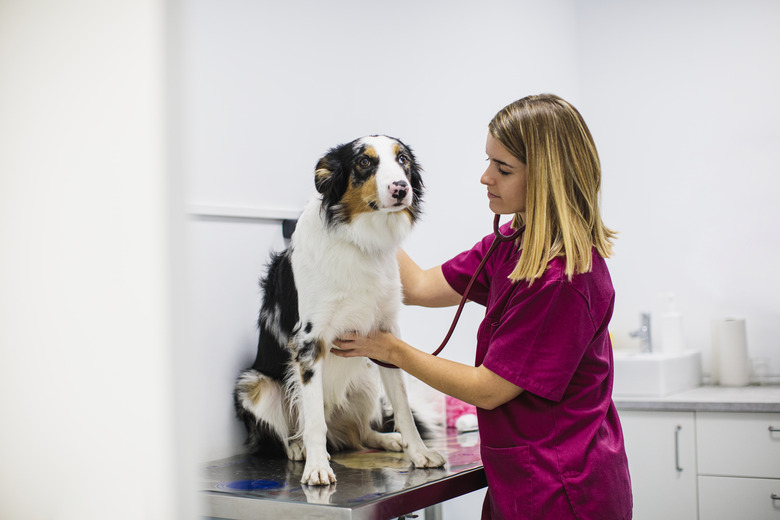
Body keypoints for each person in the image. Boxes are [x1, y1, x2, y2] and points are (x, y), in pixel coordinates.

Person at [332, 93, 633, 520]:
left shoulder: (562, 280)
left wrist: (389, 348)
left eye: (502, 168)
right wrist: (364, 211)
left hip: (563, 490)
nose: (484, 177)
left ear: (548, 178)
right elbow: (417, 286)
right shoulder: (511, 244)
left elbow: (488, 390)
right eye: (488, 161)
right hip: (520, 479)